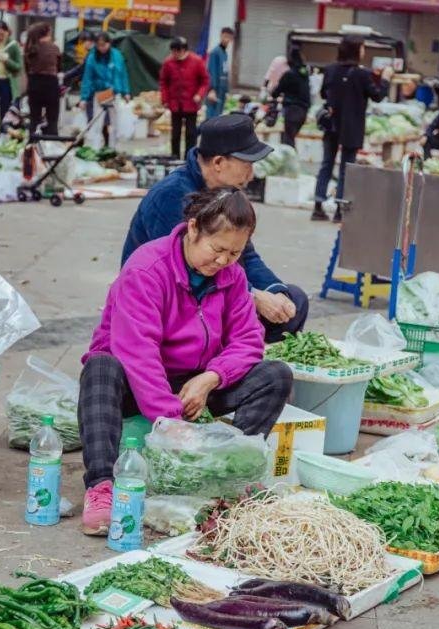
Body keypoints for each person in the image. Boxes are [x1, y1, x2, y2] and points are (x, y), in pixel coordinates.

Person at [79, 187, 293, 535]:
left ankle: (229, 477)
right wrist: (171, 420)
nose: (223, 261)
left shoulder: (233, 276)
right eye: (217, 249)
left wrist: (211, 378)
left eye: (234, 253)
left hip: (194, 382)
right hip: (137, 381)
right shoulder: (147, 269)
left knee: (276, 375)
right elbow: (138, 352)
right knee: (100, 368)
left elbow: (249, 339)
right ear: (193, 229)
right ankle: (102, 486)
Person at [122, 114, 309, 343]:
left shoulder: (228, 195)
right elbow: (189, 272)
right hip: (175, 300)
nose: (251, 174)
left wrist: (274, 292)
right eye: (247, 165)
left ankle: (246, 352)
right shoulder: (171, 196)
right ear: (218, 163)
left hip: (218, 288)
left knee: (293, 301)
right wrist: (253, 296)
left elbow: (246, 255)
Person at [313, 35, 392, 223]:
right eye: (363, 47)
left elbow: (323, 93)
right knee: (347, 169)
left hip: (331, 124)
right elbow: (377, 95)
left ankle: (318, 206)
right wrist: (385, 79)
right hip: (352, 126)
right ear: (356, 50)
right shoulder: (361, 74)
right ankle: (340, 211)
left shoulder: (330, 70)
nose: (364, 51)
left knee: (326, 164)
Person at [160, 37, 209, 159]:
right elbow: (164, 82)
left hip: (191, 104)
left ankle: (189, 158)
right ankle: (175, 157)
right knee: (175, 133)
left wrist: (199, 94)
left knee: (191, 133)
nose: (174, 54)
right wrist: (165, 99)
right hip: (175, 103)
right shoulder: (168, 63)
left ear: (183, 50)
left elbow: (205, 81)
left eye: (176, 51)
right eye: (172, 52)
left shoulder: (196, 61)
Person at [80, 33, 130, 148]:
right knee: (97, 124)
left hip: (115, 93)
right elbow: (87, 78)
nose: (101, 48)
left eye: (104, 45)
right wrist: (84, 98)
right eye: (98, 45)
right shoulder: (92, 57)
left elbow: (123, 74)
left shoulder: (117, 55)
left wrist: (126, 91)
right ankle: (96, 148)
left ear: (109, 43)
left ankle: (114, 148)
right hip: (100, 93)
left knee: (116, 123)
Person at [24, 22, 62, 135]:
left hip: (34, 83)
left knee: (34, 118)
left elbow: (27, 68)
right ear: (47, 33)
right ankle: (51, 140)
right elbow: (59, 67)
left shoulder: (30, 48)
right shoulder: (54, 48)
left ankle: (32, 141)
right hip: (50, 83)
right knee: (52, 118)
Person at [271, 47, 310, 148]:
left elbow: (276, 92)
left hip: (292, 110)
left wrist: (273, 91)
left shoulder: (289, 74)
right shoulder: (304, 74)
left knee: (288, 141)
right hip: (303, 111)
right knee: (290, 138)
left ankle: (290, 157)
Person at [205, 27, 234, 119]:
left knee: (218, 116)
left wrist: (226, 90)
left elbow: (225, 72)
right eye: (225, 36)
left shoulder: (224, 53)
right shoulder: (215, 52)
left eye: (229, 37)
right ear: (221, 36)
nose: (226, 39)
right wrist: (211, 89)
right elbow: (211, 71)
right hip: (215, 89)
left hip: (222, 89)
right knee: (211, 116)